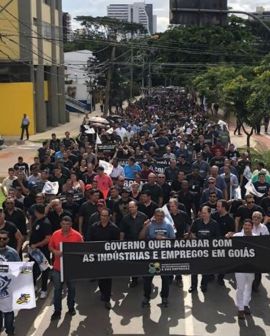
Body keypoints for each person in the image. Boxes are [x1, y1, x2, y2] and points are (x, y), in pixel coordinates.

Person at [49, 216, 83, 320]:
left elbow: (82, 250)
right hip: (57, 268)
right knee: (57, 290)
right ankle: (57, 311)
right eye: (63, 224)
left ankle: (71, 308)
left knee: (72, 289)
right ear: (60, 224)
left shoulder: (77, 236)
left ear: (71, 224)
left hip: (71, 268)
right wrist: (54, 252)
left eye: (67, 224)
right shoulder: (55, 234)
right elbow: (50, 246)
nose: (65, 226)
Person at [139, 208, 175, 307]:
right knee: (148, 278)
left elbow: (173, 240)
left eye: (161, 216)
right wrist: (145, 227)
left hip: (164, 257)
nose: (159, 218)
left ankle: (164, 298)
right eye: (157, 215)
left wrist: (164, 239)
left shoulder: (168, 226)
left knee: (165, 279)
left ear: (164, 217)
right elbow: (141, 237)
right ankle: (146, 297)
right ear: (154, 216)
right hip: (153, 258)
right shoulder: (150, 225)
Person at [88, 208, 120, 309]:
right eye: (102, 215)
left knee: (108, 278)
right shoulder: (94, 227)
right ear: (100, 216)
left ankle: (107, 298)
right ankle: (102, 292)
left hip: (109, 257)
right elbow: (89, 240)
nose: (104, 218)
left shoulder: (114, 228)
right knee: (101, 277)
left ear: (109, 216)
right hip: (97, 257)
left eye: (106, 216)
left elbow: (116, 244)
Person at [228, 219, 255, 319]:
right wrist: (228, 237)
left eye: (249, 225)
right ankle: (240, 309)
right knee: (240, 288)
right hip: (240, 268)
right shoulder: (237, 236)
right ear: (243, 226)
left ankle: (246, 305)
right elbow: (228, 245)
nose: (247, 227)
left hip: (251, 268)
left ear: (252, 227)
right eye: (245, 225)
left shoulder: (257, 238)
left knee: (249, 287)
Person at [189, 206, 220, 293]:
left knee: (205, 270)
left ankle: (204, 285)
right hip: (196, 250)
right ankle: (193, 286)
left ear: (209, 213)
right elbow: (191, 232)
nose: (203, 215)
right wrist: (193, 236)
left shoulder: (214, 224)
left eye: (205, 213)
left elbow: (217, 237)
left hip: (208, 251)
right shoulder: (197, 222)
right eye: (202, 213)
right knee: (194, 269)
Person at [120, 201, 148, 287]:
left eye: (132, 207)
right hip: (130, 243)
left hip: (142, 243)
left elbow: (147, 229)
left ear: (136, 207)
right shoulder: (125, 218)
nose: (131, 209)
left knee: (143, 261)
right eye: (130, 207)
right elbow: (122, 231)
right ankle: (134, 279)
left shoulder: (143, 216)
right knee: (133, 262)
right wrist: (121, 243)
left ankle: (145, 277)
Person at [29, 204, 52, 299]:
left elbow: (47, 239)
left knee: (45, 270)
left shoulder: (46, 223)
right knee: (33, 269)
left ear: (37, 212)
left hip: (42, 251)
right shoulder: (37, 220)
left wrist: (36, 245)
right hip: (33, 251)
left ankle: (44, 290)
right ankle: (34, 285)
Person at [0, 229, 20, 336]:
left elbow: (19, 271)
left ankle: (10, 331)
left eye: (4, 238)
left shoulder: (12, 253)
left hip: (8, 289)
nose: (1, 240)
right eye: (0, 238)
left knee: (8, 312)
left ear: (8, 239)